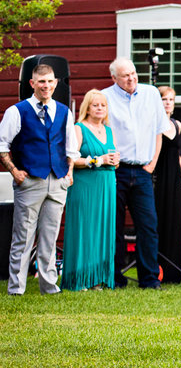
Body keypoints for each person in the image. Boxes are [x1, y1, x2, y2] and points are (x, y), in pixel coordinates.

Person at [0, 64, 79, 296]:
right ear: (32, 84)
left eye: (50, 81)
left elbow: (70, 147)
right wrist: (14, 171)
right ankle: (16, 288)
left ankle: (49, 287)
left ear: (56, 83)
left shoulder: (64, 111)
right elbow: (2, 145)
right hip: (30, 180)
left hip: (57, 181)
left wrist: (70, 173)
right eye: (41, 82)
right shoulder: (17, 111)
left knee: (50, 236)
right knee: (23, 237)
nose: (46, 86)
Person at [102, 58, 171, 290]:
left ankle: (149, 279)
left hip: (142, 171)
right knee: (115, 227)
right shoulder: (105, 97)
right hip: (116, 171)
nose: (131, 78)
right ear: (114, 79)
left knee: (148, 226)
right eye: (125, 76)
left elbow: (159, 130)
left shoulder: (151, 94)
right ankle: (115, 278)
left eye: (133, 73)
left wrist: (152, 164)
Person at [61, 90, 119, 291]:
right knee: (84, 229)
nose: (100, 108)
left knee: (102, 229)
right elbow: (72, 159)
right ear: (87, 107)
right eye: (95, 105)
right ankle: (79, 279)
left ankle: (97, 279)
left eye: (103, 105)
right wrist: (97, 160)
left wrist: (113, 161)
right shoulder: (79, 128)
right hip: (85, 185)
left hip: (106, 185)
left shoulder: (109, 131)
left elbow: (112, 156)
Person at [154, 86, 181, 285]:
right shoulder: (152, 124)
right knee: (158, 220)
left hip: (174, 177)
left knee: (173, 220)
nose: (168, 103)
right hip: (157, 177)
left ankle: (173, 272)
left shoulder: (177, 124)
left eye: (171, 99)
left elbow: (176, 152)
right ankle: (156, 269)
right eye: (164, 99)